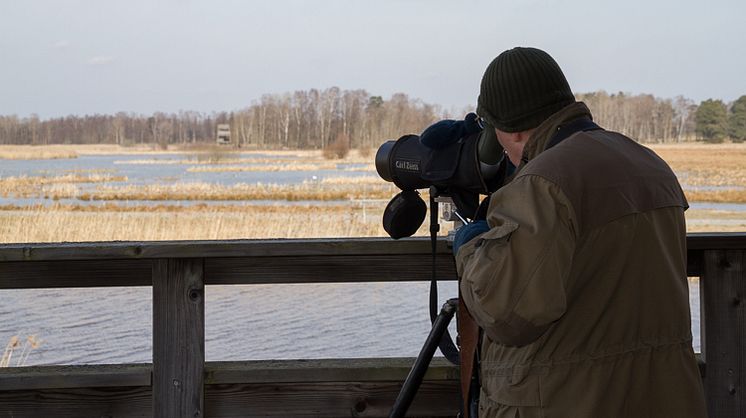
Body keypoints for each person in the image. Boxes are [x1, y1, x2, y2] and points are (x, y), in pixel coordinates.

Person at [451, 47, 708, 418]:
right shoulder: (648, 162)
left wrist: (472, 245)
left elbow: (507, 314)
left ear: (512, 128)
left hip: (568, 402)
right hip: (664, 397)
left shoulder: (542, 184)